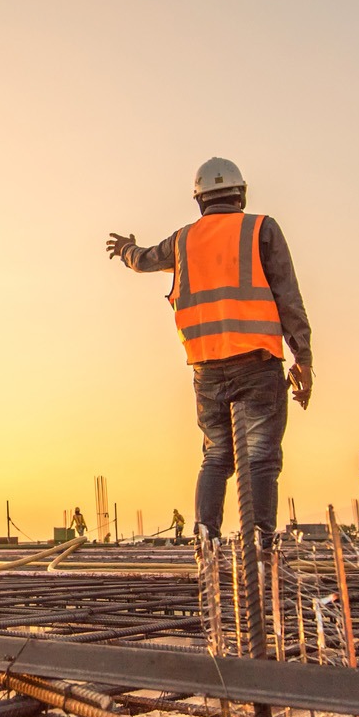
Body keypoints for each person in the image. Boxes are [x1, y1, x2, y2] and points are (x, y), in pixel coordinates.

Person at [108, 159, 313, 546]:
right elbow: (288, 296)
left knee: (217, 455)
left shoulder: (184, 240)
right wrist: (304, 358)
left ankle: (206, 536)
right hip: (257, 361)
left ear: (199, 199)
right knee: (261, 458)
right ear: (242, 193)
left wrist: (125, 249)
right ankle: (259, 542)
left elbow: (145, 259)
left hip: (206, 368)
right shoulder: (260, 229)